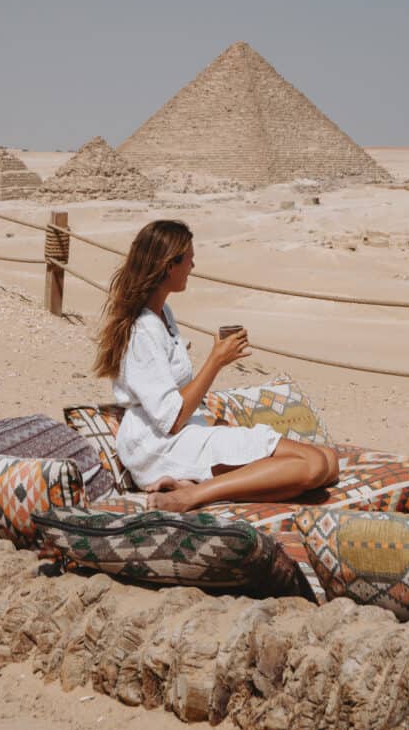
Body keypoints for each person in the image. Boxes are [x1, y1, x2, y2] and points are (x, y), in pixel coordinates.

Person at [94, 219, 339, 512]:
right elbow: (169, 418)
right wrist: (216, 361)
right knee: (311, 466)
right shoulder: (141, 332)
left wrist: (214, 423)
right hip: (158, 446)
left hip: (183, 432)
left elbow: (178, 400)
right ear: (169, 266)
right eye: (189, 260)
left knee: (328, 460)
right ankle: (190, 497)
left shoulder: (164, 314)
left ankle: (194, 484)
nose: (193, 267)